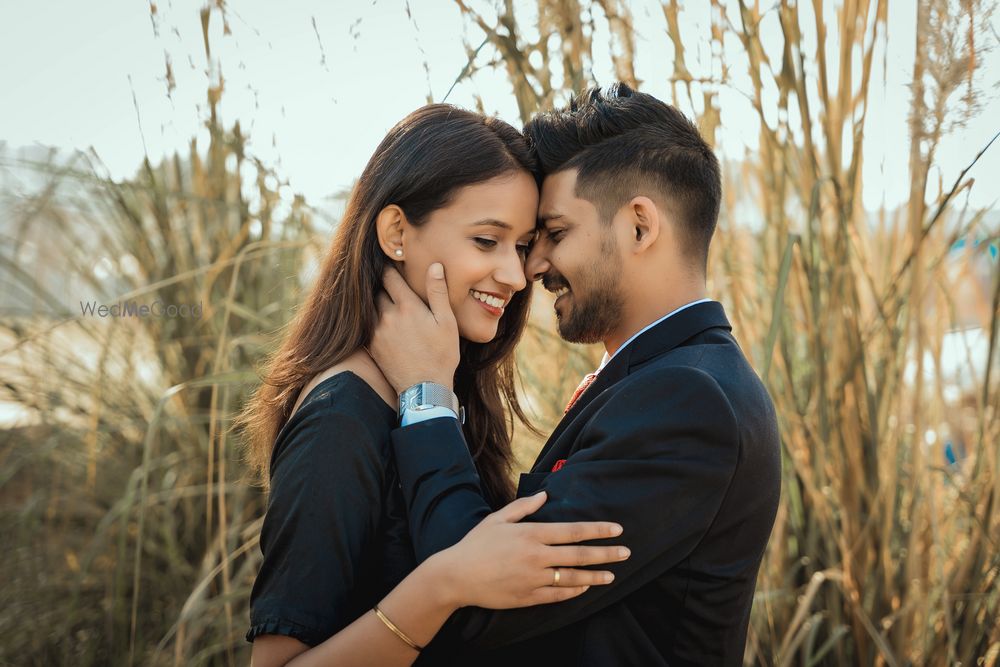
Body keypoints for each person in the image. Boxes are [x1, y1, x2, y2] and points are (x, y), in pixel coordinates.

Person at [369, 83, 782, 666]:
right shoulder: (670, 380)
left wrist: (427, 397)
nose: (531, 266)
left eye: (555, 235)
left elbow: (479, 601)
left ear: (639, 227)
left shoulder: (689, 401)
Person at [236, 104, 631, 667]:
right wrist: (443, 585)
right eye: (486, 241)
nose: (517, 277)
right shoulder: (341, 416)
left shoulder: (447, 387)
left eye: (521, 246)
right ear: (397, 232)